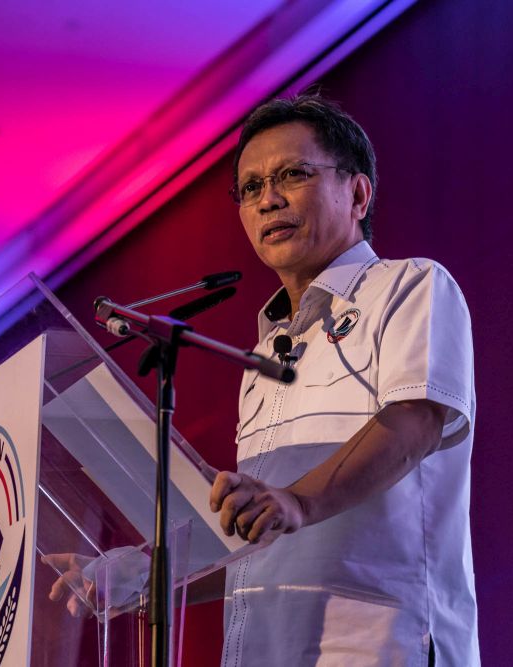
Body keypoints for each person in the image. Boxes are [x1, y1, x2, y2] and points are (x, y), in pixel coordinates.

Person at [208, 93, 477, 665]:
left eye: (293, 174)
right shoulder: (262, 357)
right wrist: (139, 572)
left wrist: (299, 501)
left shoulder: (410, 286)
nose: (268, 199)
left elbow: (415, 422)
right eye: (250, 187)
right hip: (268, 649)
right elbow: (261, 524)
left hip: (378, 645)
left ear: (357, 194)